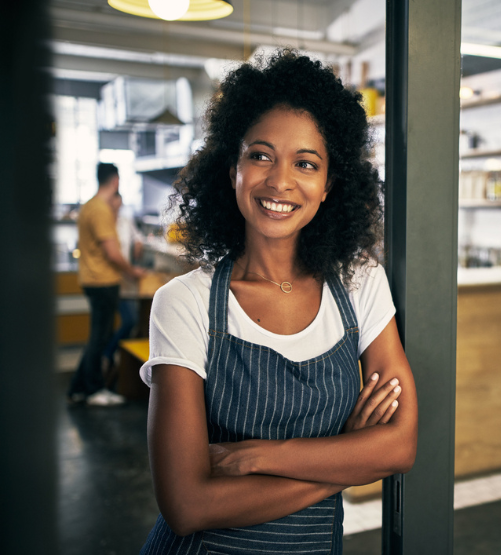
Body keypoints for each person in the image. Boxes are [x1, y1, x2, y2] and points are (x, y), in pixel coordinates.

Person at [139, 50, 418, 554]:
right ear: (232, 170)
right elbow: (186, 506)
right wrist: (344, 459)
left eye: (305, 163)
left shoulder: (360, 283)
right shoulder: (185, 303)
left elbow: (399, 446)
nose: (280, 181)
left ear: (330, 184)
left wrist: (259, 456)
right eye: (260, 155)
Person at [68, 163, 145, 407]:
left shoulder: (89, 206)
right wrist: (132, 271)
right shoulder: (101, 209)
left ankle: (78, 388)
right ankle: (94, 390)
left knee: (97, 336)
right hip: (103, 281)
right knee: (99, 338)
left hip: (92, 279)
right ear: (115, 182)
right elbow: (112, 253)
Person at [103, 192, 144, 380]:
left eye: (119, 206)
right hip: (110, 280)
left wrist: (137, 244)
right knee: (128, 320)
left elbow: (138, 237)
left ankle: (112, 360)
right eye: (114, 205)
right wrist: (130, 270)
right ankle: (107, 354)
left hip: (125, 281)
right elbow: (111, 254)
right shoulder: (104, 223)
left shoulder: (125, 221)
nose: (116, 209)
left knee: (131, 322)